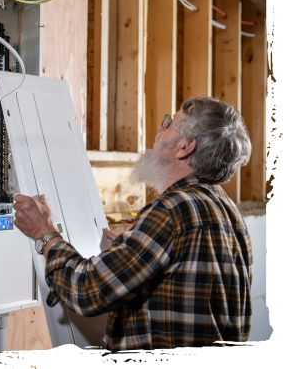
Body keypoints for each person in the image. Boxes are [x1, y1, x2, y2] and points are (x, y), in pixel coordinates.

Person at [13, 96, 253, 362]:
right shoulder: (227, 211)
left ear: (185, 147)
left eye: (170, 124)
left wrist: (45, 233)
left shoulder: (173, 210)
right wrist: (130, 254)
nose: (161, 129)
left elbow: (86, 291)